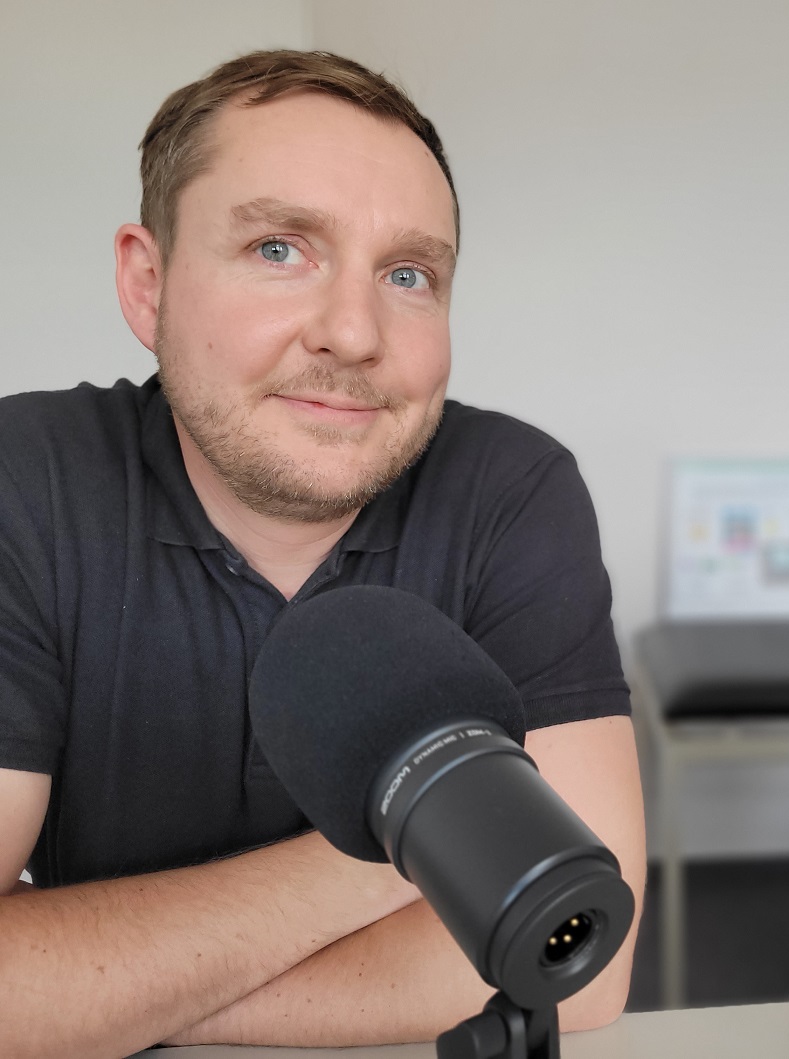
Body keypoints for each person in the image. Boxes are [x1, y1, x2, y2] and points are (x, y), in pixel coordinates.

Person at [0, 50, 645, 1057]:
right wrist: (406, 847)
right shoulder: (22, 483)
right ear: (147, 281)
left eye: (407, 274)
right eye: (278, 249)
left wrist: (102, 994)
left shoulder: (510, 490)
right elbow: (525, 902)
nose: (354, 332)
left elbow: (576, 963)